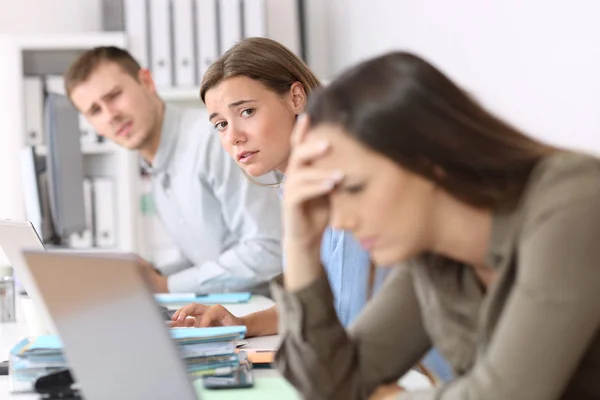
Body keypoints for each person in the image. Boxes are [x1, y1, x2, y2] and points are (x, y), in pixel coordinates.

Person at [272, 51, 600, 400]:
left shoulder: (573, 199)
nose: (341, 220)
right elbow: (331, 385)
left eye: (355, 188)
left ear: (430, 161)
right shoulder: (431, 255)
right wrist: (301, 246)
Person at [170, 38, 453, 382]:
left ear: (296, 97)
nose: (234, 137)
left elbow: (347, 318)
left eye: (246, 111)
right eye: (221, 124)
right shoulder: (295, 189)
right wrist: (243, 324)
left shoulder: (345, 181)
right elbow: (319, 301)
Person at [65, 46, 283, 294]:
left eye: (114, 96)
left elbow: (270, 250)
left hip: (274, 315)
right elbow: (206, 259)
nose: (110, 115)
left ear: (146, 81)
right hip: (232, 313)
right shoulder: (158, 165)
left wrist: (166, 285)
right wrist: (148, 278)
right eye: (95, 111)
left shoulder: (215, 139)